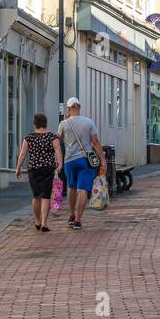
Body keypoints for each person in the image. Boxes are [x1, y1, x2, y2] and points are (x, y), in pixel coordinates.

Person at [56, 96, 107, 230]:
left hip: (69, 161)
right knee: (83, 189)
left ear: (69, 108)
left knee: (71, 188)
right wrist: (102, 160)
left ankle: (72, 215)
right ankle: (78, 220)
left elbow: (58, 140)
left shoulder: (64, 124)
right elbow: (95, 142)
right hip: (86, 160)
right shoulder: (89, 122)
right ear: (79, 107)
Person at [14, 112, 62, 232]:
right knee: (46, 196)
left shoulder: (29, 138)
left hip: (34, 169)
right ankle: (45, 222)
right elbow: (58, 151)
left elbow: (23, 154)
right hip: (48, 169)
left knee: (36, 196)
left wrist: (18, 167)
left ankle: (37, 220)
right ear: (45, 123)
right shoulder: (52, 137)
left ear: (34, 124)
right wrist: (60, 164)